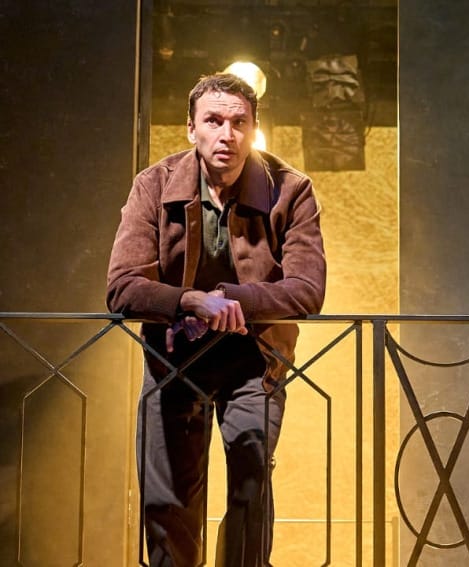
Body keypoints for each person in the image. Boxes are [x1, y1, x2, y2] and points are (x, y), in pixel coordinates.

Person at [106, 73, 326, 566]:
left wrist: (228, 298)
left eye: (239, 122)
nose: (227, 134)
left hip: (255, 360)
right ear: (191, 128)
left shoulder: (291, 189)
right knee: (168, 500)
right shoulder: (154, 184)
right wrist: (191, 301)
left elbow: (307, 289)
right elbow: (122, 286)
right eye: (213, 121)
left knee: (251, 484)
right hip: (173, 360)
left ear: (253, 129)